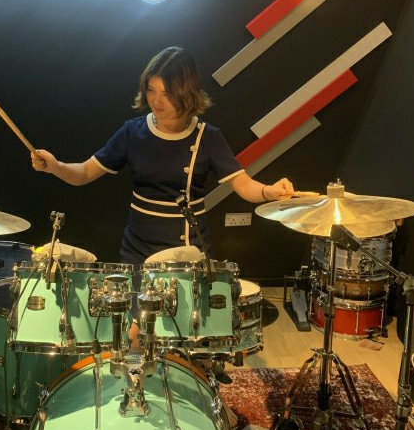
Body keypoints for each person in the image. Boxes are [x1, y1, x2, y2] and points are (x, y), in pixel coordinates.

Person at [31, 46, 295, 265]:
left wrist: (269, 192)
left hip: (186, 255)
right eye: (151, 90)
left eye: (167, 93)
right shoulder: (132, 132)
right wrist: (55, 166)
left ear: (186, 93)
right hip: (137, 252)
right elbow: (85, 172)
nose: (157, 101)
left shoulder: (207, 137)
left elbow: (244, 185)